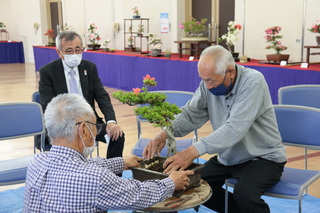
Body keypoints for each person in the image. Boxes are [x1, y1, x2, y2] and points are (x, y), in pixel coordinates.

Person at [143, 45, 287, 213]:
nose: (208, 86)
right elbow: (191, 113)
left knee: (245, 195)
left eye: (211, 80)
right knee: (194, 186)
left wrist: (191, 151)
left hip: (262, 157)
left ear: (230, 72)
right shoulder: (208, 85)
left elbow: (235, 128)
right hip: (228, 156)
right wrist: (164, 134)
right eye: (204, 80)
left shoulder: (253, 81)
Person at [23, 93, 194, 212]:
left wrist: (122, 162)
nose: (97, 132)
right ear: (83, 130)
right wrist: (170, 182)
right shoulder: (94, 178)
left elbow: (80, 165)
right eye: (95, 126)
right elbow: (138, 194)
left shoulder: (37, 161)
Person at [37, 30, 124, 159]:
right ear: (59, 52)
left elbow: (101, 96)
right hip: (62, 124)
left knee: (117, 136)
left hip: (89, 122)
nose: (74, 54)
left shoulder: (89, 68)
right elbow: (47, 104)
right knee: (74, 143)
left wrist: (111, 121)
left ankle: (112, 174)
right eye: (69, 51)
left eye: (78, 49)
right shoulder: (47, 72)